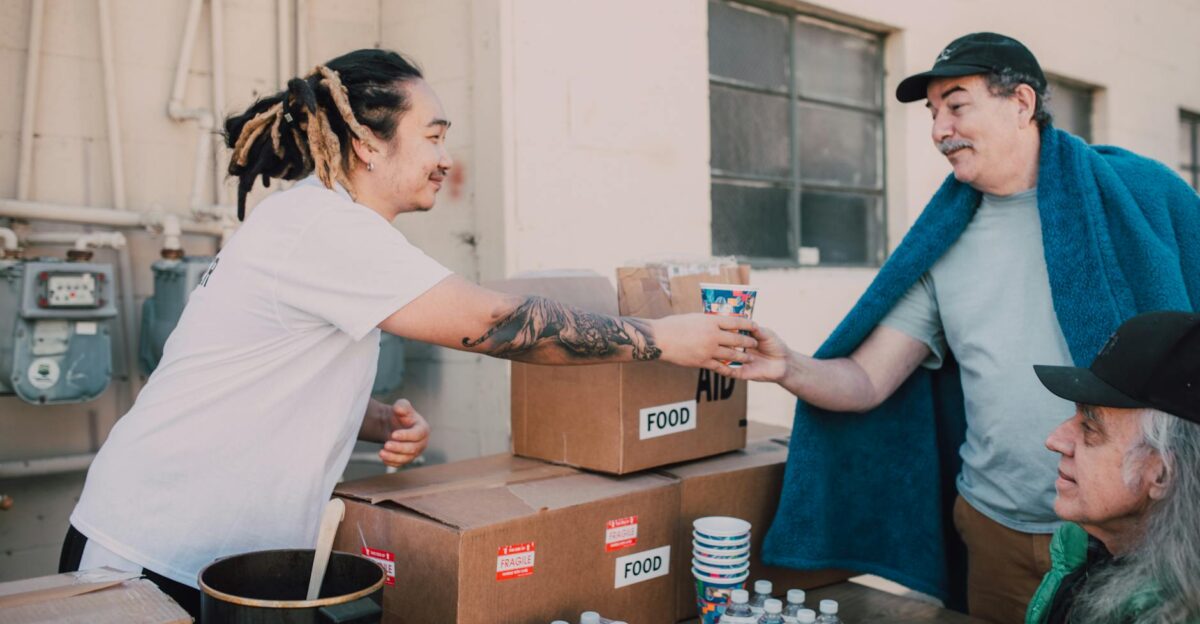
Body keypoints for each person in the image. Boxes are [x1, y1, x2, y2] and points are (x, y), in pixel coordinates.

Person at [58, 48, 756, 617]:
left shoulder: (317, 225)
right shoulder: (323, 226)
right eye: (433, 135)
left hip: (211, 558)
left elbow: (254, 374)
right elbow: (492, 324)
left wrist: (369, 419)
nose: (445, 157)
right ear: (366, 143)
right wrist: (663, 339)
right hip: (150, 556)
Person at [730, 33, 1200, 623]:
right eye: (933, 113)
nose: (938, 129)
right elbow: (867, 379)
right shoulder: (944, 242)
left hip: (1127, 534)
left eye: (956, 104)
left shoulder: (1126, 202)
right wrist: (787, 366)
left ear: (1021, 104)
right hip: (993, 528)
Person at [1027, 310, 1200, 624]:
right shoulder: (1084, 547)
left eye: (1091, 429)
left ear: (1162, 474)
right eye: (1075, 415)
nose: (1055, 440)